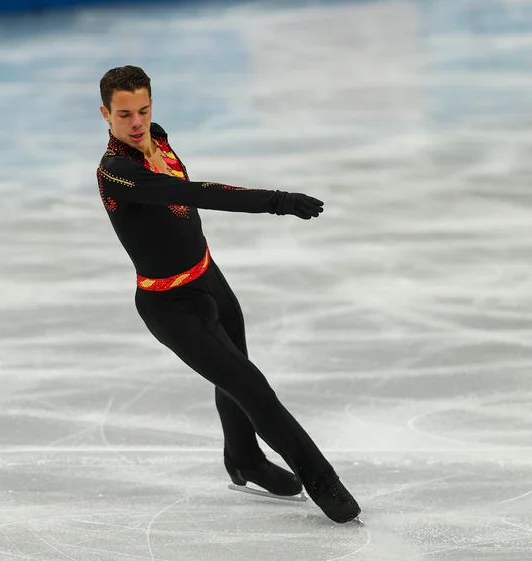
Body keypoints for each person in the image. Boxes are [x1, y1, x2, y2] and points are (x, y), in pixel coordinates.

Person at [96, 65, 361, 524]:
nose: (137, 123)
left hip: (209, 278)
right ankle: (323, 480)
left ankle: (244, 458)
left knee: (234, 374)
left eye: (143, 109)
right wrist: (276, 200)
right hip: (169, 303)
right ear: (106, 114)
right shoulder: (117, 172)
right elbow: (196, 193)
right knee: (253, 388)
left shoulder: (157, 137)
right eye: (124, 115)